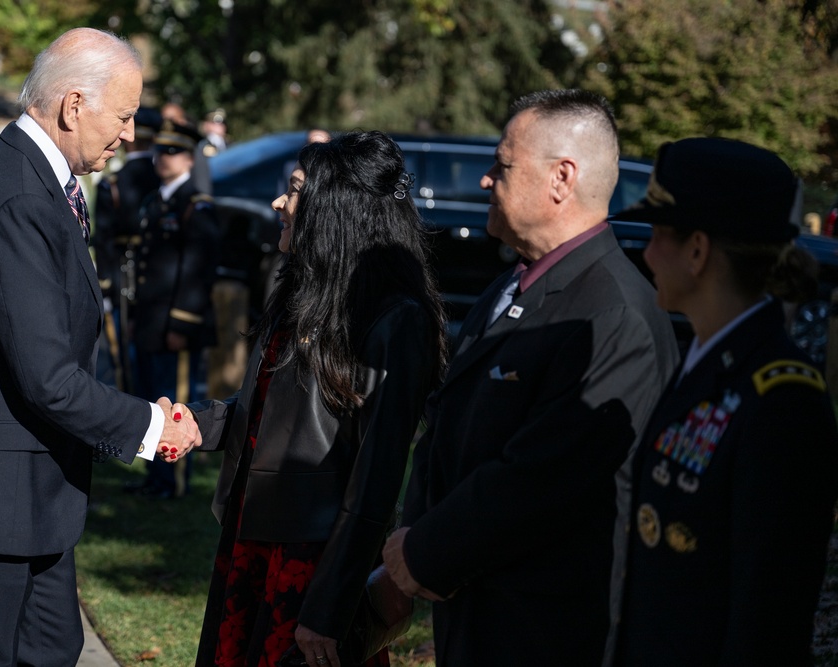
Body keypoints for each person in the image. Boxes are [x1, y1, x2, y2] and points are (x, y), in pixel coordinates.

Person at [0, 28, 200, 666]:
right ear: (73, 106)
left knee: (53, 652)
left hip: (26, 500)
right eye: (124, 115)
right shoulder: (17, 194)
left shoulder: (32, 180)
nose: (132, 134)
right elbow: (50, 379)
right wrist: (151, 425)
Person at [381, 89, 680, 665]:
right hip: (477, 605)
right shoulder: (515, 283)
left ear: (561, 178)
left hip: (548, 627)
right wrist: (412, 543)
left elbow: (545, 476)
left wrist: (425, 551)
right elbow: (446, 422)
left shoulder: (612, 312)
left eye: (503, 164)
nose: (487, 179)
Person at [185, 130, 448, 667]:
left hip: (313, 562)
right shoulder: (305, 292)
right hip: (253, 540)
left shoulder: (395, 319)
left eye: (296, 190)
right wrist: (196, 423)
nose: (280, 203)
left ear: (339, 206)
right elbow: (269, 415)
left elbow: (376, 480)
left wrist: (331, 604)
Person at [609, 137, 838, 666]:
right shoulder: (704, 361)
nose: (645, 252)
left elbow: (767, 622)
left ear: (697, 250)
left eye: (658, 234)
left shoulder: (782, 401)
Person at [128, 120, 222, 499]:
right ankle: (156, 478)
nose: (163, 159)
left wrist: (182, 321)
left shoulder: (196, 205)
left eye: (173, 152)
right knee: (154, 401)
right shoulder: (157, 201)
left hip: (178, 324)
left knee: (177, 403)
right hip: (152, 320)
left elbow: (198, 270)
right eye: (160, 151)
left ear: (189, 158)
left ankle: (176, 481)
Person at [93, 106, 162, 390]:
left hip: (122, 277)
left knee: (126, 361)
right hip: (159, 280)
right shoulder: (164, 180)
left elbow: (104, 240)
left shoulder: (113, 184)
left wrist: (106, 283)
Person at [162, 101, 212, 195]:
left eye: (172, 119)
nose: (167, 124)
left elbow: (202, 186)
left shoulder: (193, 148)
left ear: (182, 121)